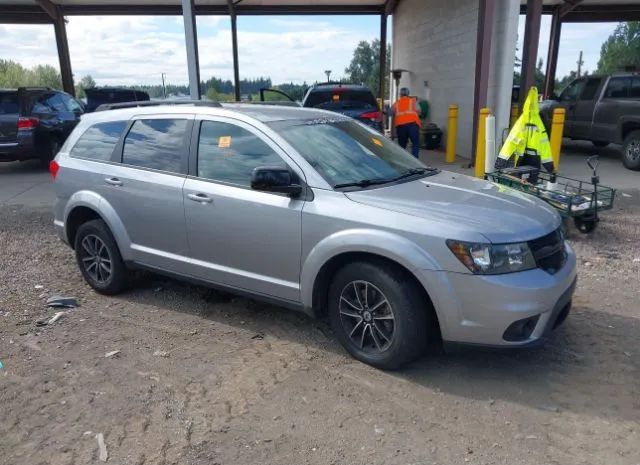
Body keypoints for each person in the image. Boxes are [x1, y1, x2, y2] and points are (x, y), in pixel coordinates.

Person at [496, 86, 555, 174]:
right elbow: (545, 147)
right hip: (534, 160)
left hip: (521, 159)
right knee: (532, 182)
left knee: (519, 181)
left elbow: (510, 142)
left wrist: (501, 162)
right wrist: (550, 167)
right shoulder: (539, 124)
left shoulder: (521, 122)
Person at [391, 87, 422, 158]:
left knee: (402, 146)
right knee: (415, 143)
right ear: (408, 94)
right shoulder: (413, 101)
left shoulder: (396, 103)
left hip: (401, 126)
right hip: (413, 125)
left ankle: (403, 160)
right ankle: (415, 161)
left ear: (400, 95)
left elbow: (390, 112)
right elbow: (419, 112)